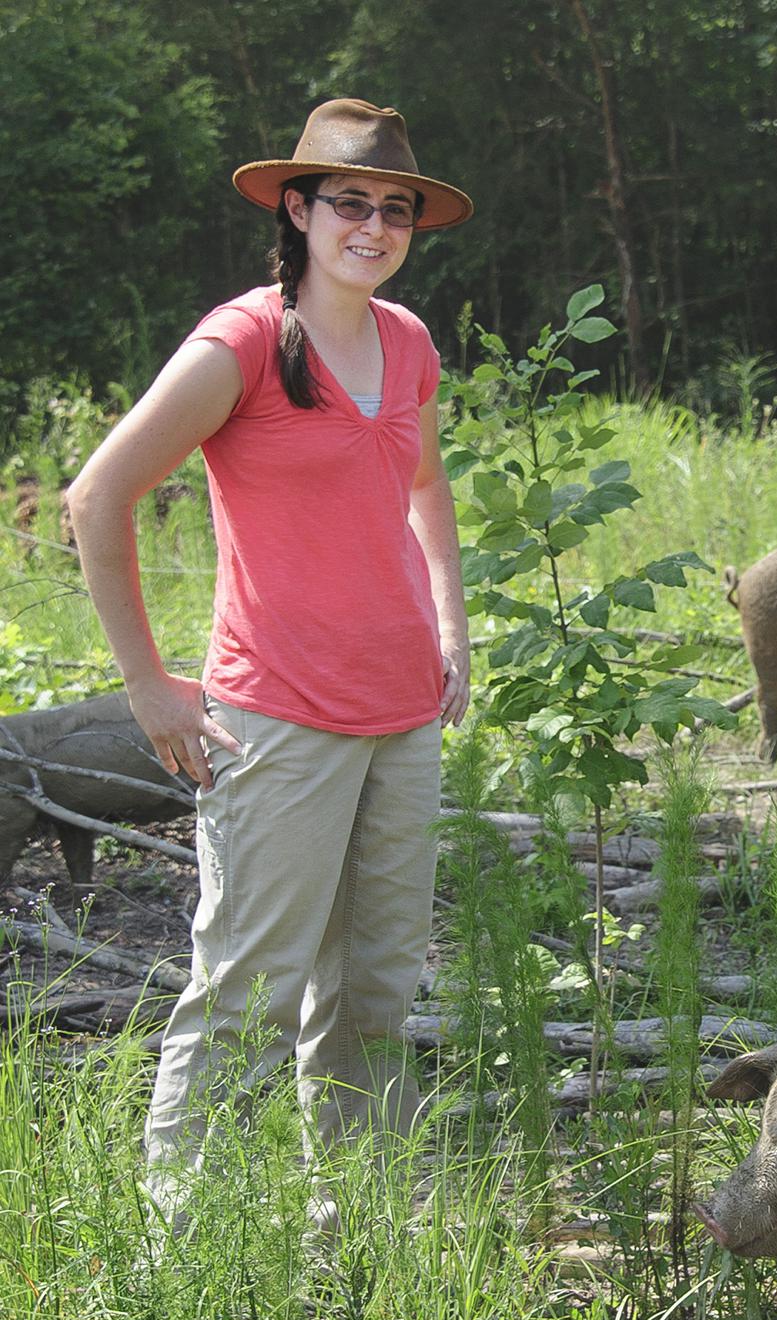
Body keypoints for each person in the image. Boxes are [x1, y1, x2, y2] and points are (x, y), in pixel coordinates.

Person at [66, 98, 474, 1230]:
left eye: (395, 208)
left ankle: (355, 1228)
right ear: (298, 208)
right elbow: (98, 496)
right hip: (278, 718)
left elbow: (426, 489)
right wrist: (152, 685)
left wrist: (452, 623)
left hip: (404, 715)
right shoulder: (244, 342)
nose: (374, 224)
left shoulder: (409, 341)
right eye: (350, 201)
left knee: (375, 993)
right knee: (246, 990)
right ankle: (181, 1250)